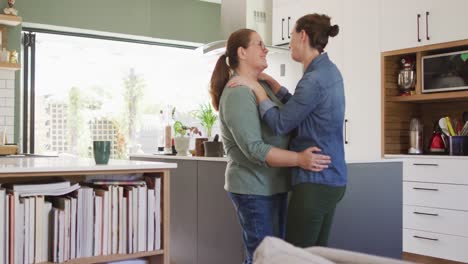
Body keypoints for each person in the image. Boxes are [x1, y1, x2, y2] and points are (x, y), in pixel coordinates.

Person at [209, 28, 332, 264]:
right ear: (242, 52)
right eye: (259, 44)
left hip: (272, 185)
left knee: (274, 257)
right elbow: (255, 149)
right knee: (263, 258)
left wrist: (272, 83)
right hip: (253, 189)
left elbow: (290, 117)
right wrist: (299, 159)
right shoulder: (238, 92)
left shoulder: (260, 86)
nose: (266, 49)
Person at [228, 14, 347, 248]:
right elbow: (303, 108)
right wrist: (275, 86)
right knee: (314, 256)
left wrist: (257, 89)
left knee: (294, 256)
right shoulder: (328, 71)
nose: (289, 42)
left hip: (315, 179)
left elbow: (282, 122)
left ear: (302, 36)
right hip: (332, 178)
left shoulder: (313, 79)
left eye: (291, 35)